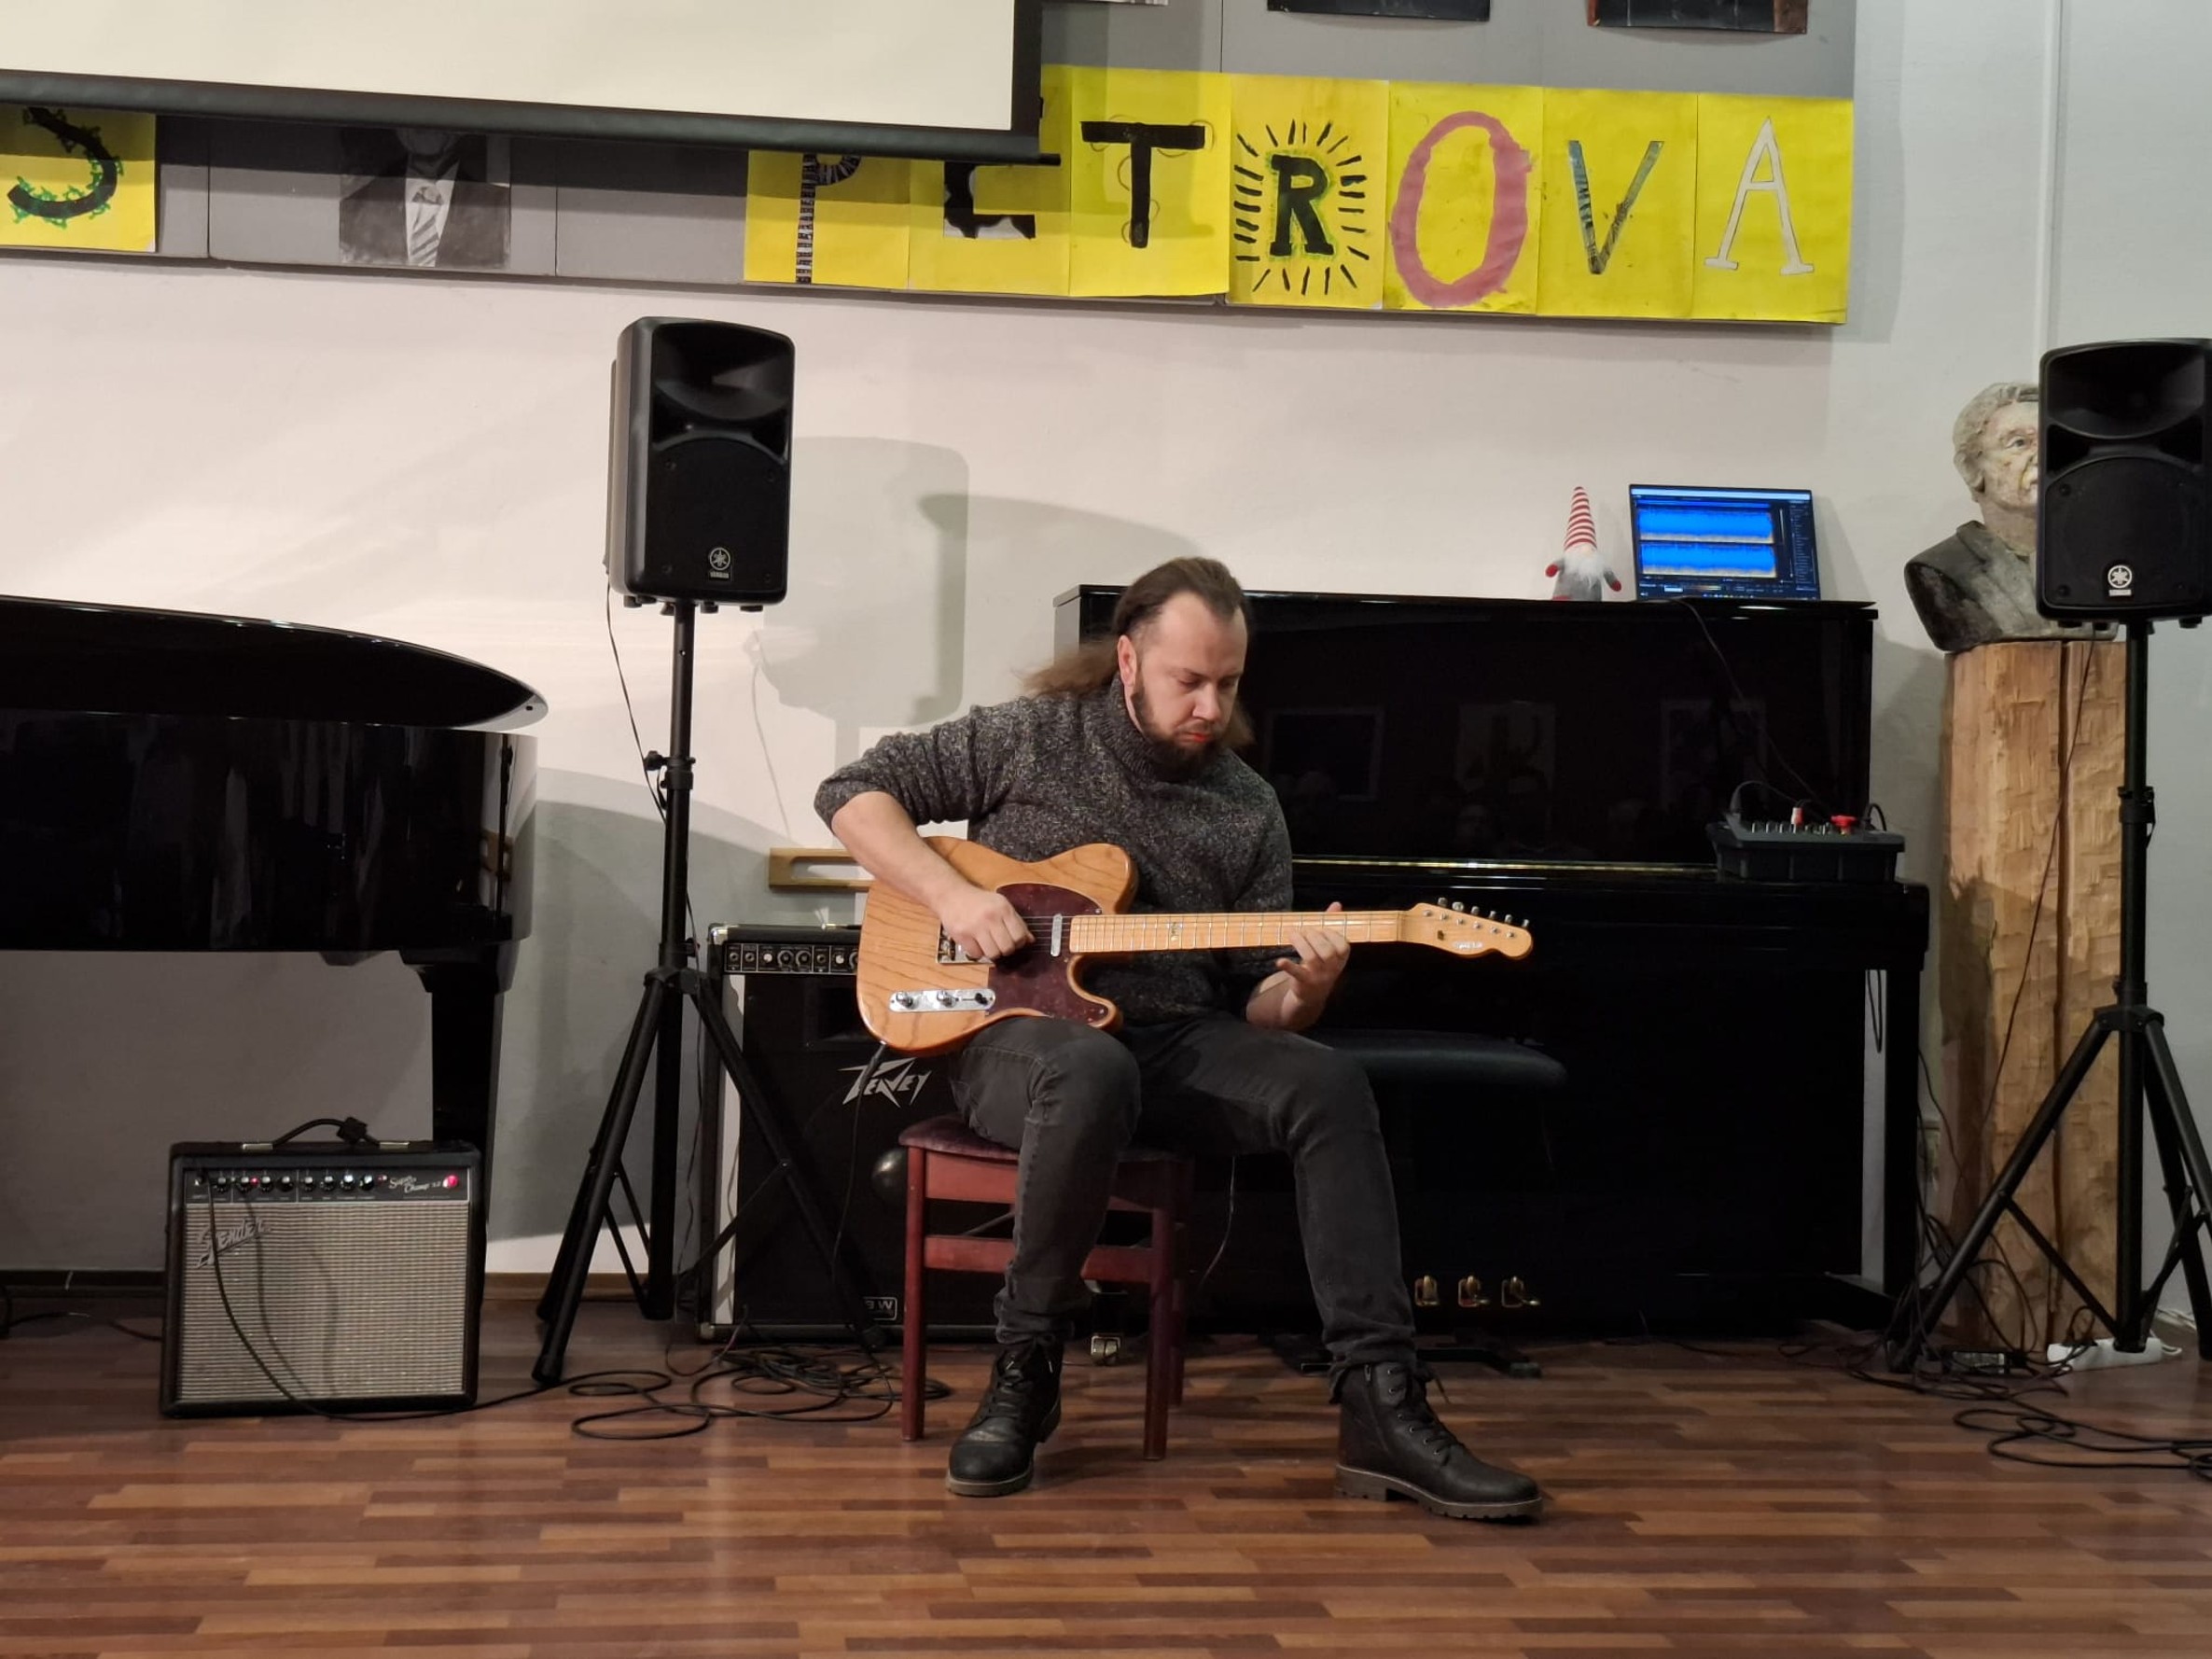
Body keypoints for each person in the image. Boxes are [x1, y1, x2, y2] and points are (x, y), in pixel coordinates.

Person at [813, 556, 1544, 1521]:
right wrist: (952, 895)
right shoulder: (1032, 739)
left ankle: (1381, 1403)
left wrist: (1304, 985)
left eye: (1227, 683)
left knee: (1327, 1084)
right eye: (1187, 679)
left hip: (1174, 1044)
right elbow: (853, 790)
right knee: (1086, 1066)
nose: (1209, 705)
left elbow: (1257, 1008)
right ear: (1127, 660)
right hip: (1017, 1042)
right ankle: (1025, 1370)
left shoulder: (1246, 807)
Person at [1904, 382, 2108, 653]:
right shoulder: (1941, 568)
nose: (2042, 457)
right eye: (2019, 443)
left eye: (2053, 443)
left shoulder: (2103, 562)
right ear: (1971, 468)